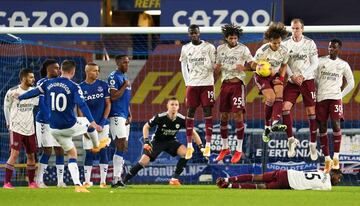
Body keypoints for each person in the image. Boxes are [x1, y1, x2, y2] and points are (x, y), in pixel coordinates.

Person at [19, 60, 107, 193]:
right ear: (73, 72)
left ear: (61, 70)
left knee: (72, 154)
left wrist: (21, 97)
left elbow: (34, 92)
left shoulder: (47, 83)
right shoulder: (74, 86)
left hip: (54, 129)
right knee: (89, 125)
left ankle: (78, 185)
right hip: (69, 125)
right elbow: (82, 105)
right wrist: (93, 122)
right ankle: (96, 145)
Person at [123, 97, 204, 186]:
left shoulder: (182, 119)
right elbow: (146, 126)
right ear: (167, 106)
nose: (174, 106)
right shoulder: (160, 117)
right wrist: (146, 141)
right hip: (157, 141)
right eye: (172, 104)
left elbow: (193, 132)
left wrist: (201, 147)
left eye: (176, 105)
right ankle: (124, 181)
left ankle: (174, 179)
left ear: (178, 107)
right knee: (143, 162)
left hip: (171, 141)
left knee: (187, 153)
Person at [214, 24, 254, 164]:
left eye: (235, 38)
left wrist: (246, 68)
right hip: (225, 85)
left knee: (238, 116)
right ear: (226, 38)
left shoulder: (243, 49)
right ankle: (225, 148)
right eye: (231, 38)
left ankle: (238, 149)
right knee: (223, 116)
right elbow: (217, 70)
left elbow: (253, 65)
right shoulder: (220, 49)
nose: (233, 40)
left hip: (238, 85)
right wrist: (216, 70)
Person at [315, 39, 354, 173]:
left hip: (335, 98)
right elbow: (313, 79)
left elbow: (351, 83)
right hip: (321, 98)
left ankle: (336, 157)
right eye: (330, 47)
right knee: (322, 127)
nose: (331, 49)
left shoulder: (343, 65)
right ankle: (327, 159)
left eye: (334, 48)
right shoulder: (320, 61)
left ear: (339, 49)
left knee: (336, 124)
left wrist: (341, 95)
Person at [282, 18, 319, 159]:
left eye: (297, 28)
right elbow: (285, 63)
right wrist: (292, 76)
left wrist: (302, 75)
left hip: (307, 80)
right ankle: (291, 140)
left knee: (311, 112)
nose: (295, 31)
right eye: (293, 28)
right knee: (285, 108)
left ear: (302, 29)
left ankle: (313, 144)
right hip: (292, 82)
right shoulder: (285, 43)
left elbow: (315, 63)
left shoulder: (309, 43)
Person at [179, 24, 216, 159]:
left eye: (195, 32)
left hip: (207, 84)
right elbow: (183, 65)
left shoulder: (209, 47)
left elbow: (214, 65)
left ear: (199, 33)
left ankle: (208, 145)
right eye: (191, 33)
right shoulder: (185, 48)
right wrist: (187, 82)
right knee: (190, 113)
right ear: (189, 34)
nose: (194, 35)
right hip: (192, 85)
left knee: (208, 112)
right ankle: (189, 146)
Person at [252, 22, 289, 143]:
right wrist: (263, 68)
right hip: (261, 76)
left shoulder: (284, 50)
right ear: (269, 41)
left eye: (279, 42)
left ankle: (275, 123)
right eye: (274, 43)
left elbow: (284, 65)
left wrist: (281, 78)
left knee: (280, 93)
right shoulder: (262, 51)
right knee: (271, 98)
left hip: (276, 75)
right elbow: (253, 64)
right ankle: (267, 127)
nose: (277, 45)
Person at [3, 69, 39, 189]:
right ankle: (7, 182)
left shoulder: (34, 92)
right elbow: (6, 107)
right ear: (23, 78)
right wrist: (8, 123)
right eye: (31, 77)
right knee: (15, 154)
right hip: (16, 127)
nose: (33, 79)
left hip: (30, 128)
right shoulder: (12, 91)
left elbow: (40, 104)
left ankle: (31, 183)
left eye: (33, 77)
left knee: (31, 156)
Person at [35, 59, 67, 188]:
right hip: (44, 122)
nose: (58, 70)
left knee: (60, 150)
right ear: (48, 69)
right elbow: (42, 104)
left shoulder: (60, 83)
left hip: (57, 122)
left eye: (59, 68)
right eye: (55, 68)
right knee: (47, 150)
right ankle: (39, 180)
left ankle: (60, 181)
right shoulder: (42, 83)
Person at [79, 63, 111, 188]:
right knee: (89, 152)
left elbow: (108, 104)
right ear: (87, 72)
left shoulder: (103, 85)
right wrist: (84, 126)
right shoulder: (80, 87)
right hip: (88, 126)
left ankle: (103, 182)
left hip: (103, 124)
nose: (97, 73)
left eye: (98, 71)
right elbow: (79, 108)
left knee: (103, 151)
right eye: (94, 71)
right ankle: (87, 181)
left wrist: (102, 122)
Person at [108, 55, 132, 188]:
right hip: (116, 115)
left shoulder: (125, 78)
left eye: (128, 63)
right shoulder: (114, 77)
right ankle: (115, 178)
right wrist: (124, 86)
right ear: (118, 63)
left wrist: (129, 113)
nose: (126, 65)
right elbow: (114, 96)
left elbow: (126, 99)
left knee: (124, 146)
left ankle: (118, 179)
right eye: (124, 63)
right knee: (120, 144)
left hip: (124, 115)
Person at [216, 169, 342, 190]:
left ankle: (227, 179)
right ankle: (229, 186)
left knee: (256, 177)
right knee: (259, 186)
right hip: (288, 182)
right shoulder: (327, 187)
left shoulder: (321, 171)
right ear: (333, 174)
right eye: (339, 177)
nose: (339, 180)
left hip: (286, 173)